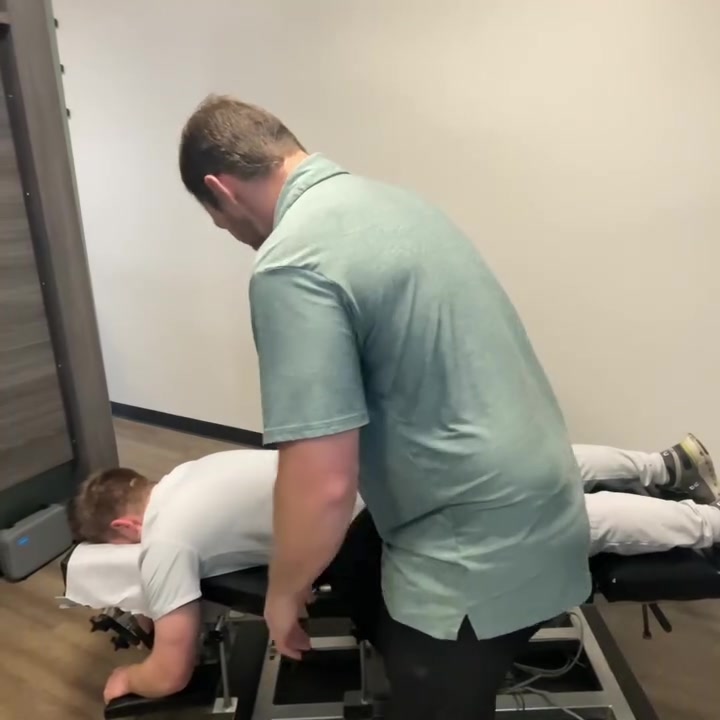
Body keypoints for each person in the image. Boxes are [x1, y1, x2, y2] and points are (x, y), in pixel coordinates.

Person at [177, 95, 688, 718]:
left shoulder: (290, 262)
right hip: (545, 499)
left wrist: (283, 593)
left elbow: (324, 482)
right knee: (357, 565)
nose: (234, 237)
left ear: (221, 190)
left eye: (220, 223)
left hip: (476, 552)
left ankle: (433, 672)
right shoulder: (398, 205)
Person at [67, 434, 719, 703]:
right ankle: (663, 465)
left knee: (565, 522)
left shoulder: (164, 538)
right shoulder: (188, 473)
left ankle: (711, 526)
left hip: (390, 519)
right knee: (536, 465)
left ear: (125, 530)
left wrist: (129, 678)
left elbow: (172, 671)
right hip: (384, 467)